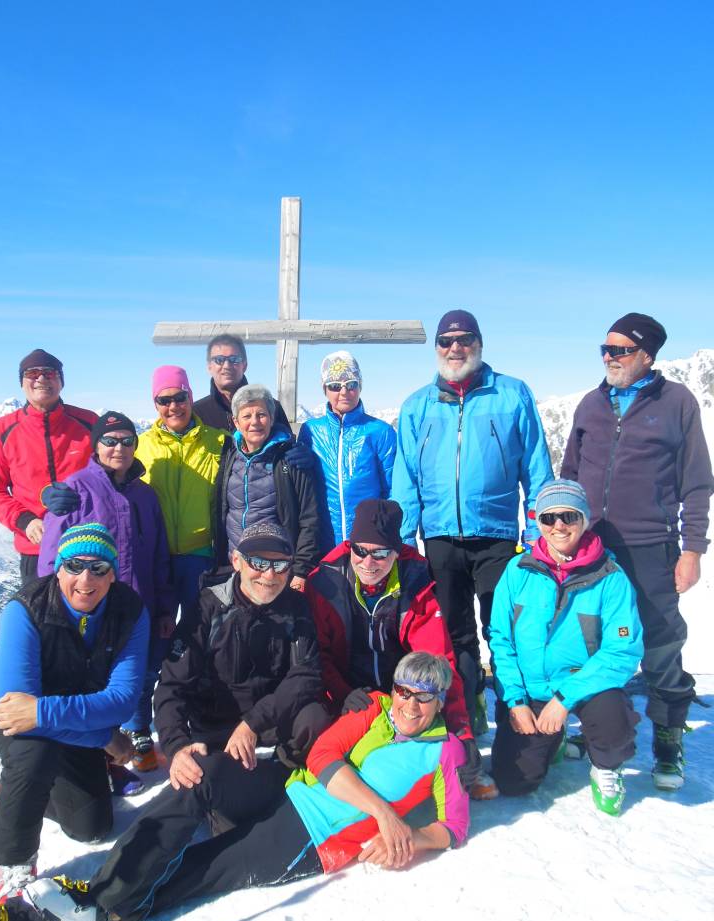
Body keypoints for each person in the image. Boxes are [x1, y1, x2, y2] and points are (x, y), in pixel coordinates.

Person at [0, 653, 470, 921]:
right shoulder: (376, 708)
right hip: (287, 787)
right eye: (404, 690)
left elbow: (455, 826)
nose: (409, 704)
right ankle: (102, 898)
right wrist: (384, 814)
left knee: (200, 869)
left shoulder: (444, 751)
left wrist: (409, 836)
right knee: (205, 776)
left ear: (439, 701)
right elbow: (323, 756)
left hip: (312, 838)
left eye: (423, 697)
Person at [562, 313, 714, 791]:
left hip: (651, 545)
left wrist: (692, 549)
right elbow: (569, 474)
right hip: (592, 546)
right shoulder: (591, 404)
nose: (609, 357)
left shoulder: (677, 402)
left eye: (621, 350)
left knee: (660, 642)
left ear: (647, 355)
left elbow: (696, 482)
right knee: (590, 640)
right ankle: (597, 724)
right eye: (605, 349)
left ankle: (668, 740)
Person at [392, 309, 553, 731]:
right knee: (453, 633)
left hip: (497, 537)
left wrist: (537, 532)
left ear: (479, 344)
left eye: (464, 339)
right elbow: (406, 481)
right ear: (436, 348)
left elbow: (536, 470)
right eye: (446, 341)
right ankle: (466, 710)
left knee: (505, 631)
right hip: (440, 538)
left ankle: (516, 717)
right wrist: (404, 542)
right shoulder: (417, 406)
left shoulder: (512, 394)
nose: (455, 348)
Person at [0, 523, 149, 902]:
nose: (85, 579)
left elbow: (121, 700)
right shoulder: (27, 608)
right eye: (74, 566)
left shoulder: (130, 611)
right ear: (57, 569)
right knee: (34, 752)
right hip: (4, 708)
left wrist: (44, 712)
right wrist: (103, 737)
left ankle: (23, 789)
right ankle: (13, 860)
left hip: (54, 711)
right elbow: (16, 707)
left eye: (98, 568)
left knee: (91, 827)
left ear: (113, 574)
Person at [489, 480, 643, 814]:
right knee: (514, 782)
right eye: (549, 518)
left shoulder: (611, 576)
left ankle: (607, 766)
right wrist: (515, 701)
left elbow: (622, 651)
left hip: (586, 687)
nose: (558, 525)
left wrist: (563, 699)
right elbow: (500, 639)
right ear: (539, 523)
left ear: (584, 520)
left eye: (569, 516)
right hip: (533, 689)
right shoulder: (518, 570)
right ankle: (552, 741)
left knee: (611, 712)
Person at [37, 412, 175, 772]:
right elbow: (51, 557)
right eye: (110, 441)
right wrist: (54, 606)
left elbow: (159, 555)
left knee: (138, 671)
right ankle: (96, 746)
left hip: (138, 603)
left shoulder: (145, 495)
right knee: (93, 674)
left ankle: (136, 729)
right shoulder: (75, 490)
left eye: (127, 441)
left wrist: (164, 608)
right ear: (96, 446)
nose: (119, 448)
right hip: (90, 604)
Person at [155, 521, 331, 788]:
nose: (269, 575)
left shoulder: (296, 606)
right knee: (204, 779)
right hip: (216, 729)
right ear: (236, 561)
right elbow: (171, 685)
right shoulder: (207, 608)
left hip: (269, 722)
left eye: (280, 564)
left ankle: (282, 778)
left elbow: (306, 676)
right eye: (258, 563)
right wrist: (177, 745)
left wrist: (252, 723)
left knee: (315, 718)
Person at [305, 499, 473, 744]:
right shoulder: (324, 583)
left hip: (402, 695)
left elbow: (438, 660)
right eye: (360, 550)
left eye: (380, 554)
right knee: (317, 730)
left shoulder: (414, 584)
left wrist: (461, 731)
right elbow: (318, 655)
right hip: (345, 693)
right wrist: (343, 693)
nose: (368, 562)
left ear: (396, 552)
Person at [0, 349, 97, 583]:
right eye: (32, 373)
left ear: (61, 381)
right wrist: (26, 521)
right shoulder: (3, 430)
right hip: (36, 548)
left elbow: (110, 476)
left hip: (88, 542)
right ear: (22, 382)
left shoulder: (89, 422)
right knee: (41, 608)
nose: (41, 379)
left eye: (50, 373)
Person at [137, 366, 227, 630]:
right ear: (155, 404)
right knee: (155, 632)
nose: (173, 406)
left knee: (199, 632)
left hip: (201, 555)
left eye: (180, 397)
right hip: (156, 556)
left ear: (190, 397)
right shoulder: (140, 446)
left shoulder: (220, 442)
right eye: (164, 400)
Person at [216, 385, 321, 591]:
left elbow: (309, 517)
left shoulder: (289, 459)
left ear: (272, 419)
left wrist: (301, 570)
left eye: (261, 414)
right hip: (237, 566)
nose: (254, 421)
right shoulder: (230, 456)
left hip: (277, 569)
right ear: (236, 422)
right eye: (247, 416)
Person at [297, 350, 397, 549]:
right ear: (325, 389)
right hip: (323, 540)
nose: (344, 392)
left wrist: (387, 534)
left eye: (351, 384)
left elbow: (392, 489)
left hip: (368, 542)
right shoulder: (311, 431)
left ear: (360, 386)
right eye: (335, 386)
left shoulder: (380, 431)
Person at [192, 333, 293, 434]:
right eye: (219, 360)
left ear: (244, 365)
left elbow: (287, 442)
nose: (227, 366)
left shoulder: (271, 407)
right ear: (209, 366)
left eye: (234, 359)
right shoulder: (196, 413)